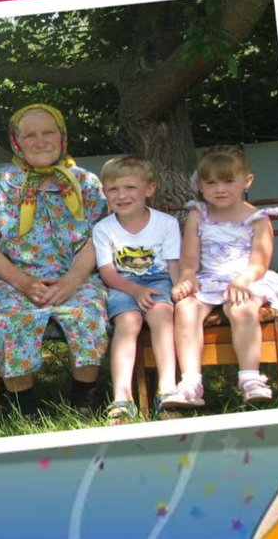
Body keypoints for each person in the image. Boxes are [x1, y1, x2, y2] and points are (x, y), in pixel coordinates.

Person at [0, 103, 108, 417]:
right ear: (16, 142)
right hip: (14, 279)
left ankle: (83, 402)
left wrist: (71, 281)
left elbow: (99, 238)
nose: (40, 141)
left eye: (48, 133)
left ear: (62, 137)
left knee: (87, 315)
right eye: (30, 135)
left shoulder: (85, 183)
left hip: (77, 276)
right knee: (10, 321)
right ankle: (25, 410)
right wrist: (24, 282)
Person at [169, 145, 278, 407]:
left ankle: (250, 379)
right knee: (185, 308)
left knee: (242, 307)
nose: (220, 189)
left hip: (247, 279)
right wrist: (188, 275)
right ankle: (191, 383)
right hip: (209, 278)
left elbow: (259, 263)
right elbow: (190, 256)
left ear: (246, 181)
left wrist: (242, 280)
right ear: (200, 186)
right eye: (211, 183)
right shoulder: (198, 214)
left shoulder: (257, 219)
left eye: (228, 181)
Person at [92, 156, 181, 424]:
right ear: (105, 193)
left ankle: (167, 391)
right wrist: (134, 290)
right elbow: (108, 272)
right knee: (128, 321)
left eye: (130, 187)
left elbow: (173, 264)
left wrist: (179, 291)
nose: (122, 195)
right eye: (113, 189)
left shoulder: (166, 223)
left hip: (158, 280)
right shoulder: (103, 229)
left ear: (149, 189)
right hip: (121, 283)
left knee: (162, 315)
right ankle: (122, 399)